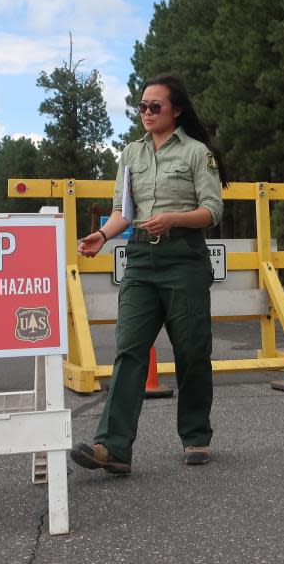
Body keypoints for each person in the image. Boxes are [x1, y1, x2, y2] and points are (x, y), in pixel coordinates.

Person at [70, 74, 227, 475]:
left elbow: (212, 210)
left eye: (155, 106)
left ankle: (196, 436)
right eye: (141, 106)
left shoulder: (197, 153)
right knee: (129, 350)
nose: (146, 113)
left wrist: (174, 219)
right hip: (140, 259)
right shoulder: (130, 155)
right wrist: (103, 235)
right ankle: (113, 446)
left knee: (192, 351)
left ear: (175, 110)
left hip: (185, 257)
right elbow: (124, 211)